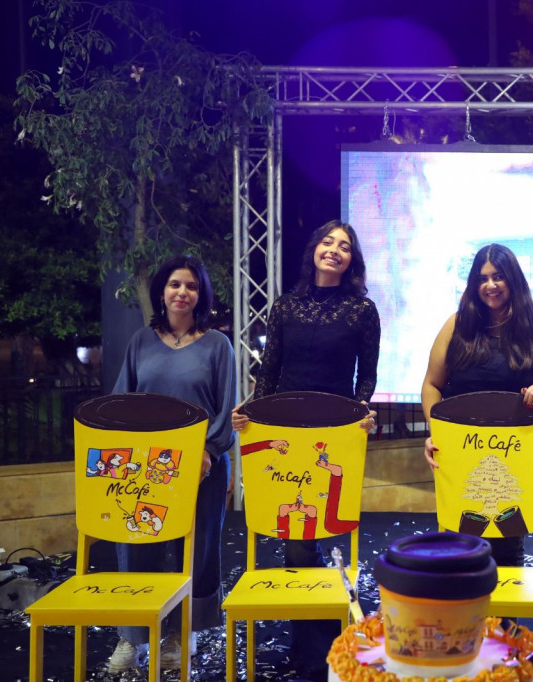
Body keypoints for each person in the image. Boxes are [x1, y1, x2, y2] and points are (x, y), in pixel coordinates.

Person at [231, 219, 380, 680]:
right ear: (314, 249)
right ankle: (312, 649)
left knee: (328, 523)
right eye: (327, 241)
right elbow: (269, 371)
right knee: (297, 538)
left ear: (352, 260)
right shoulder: (285, 306)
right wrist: (250, 413)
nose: (334, 249)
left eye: (344, 246)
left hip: (334, 433)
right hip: (286, 431)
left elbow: (366, 376)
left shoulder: (362, 311)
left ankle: (325, 640)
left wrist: (362, 411)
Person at [107, 255, 237, 673]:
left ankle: (184, 632)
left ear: (201, 295)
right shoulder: (140, 343)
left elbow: (225, 409)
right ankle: (132, 635)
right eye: (175, 284)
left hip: (202, 465)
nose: (183, 292)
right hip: (146, 467)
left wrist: (208, 452)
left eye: (192, 286)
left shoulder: (218, 345)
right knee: (136, 544)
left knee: (197, 548)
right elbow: (121, 402)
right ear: (161, 292)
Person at [421, 243, 533, 566]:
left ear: (513, 279)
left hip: (515, 454)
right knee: (460, 543)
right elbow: (431, 385)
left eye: (498, 276)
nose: (490, 285)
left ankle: (506, 602)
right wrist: (435, 432)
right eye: (483, 278)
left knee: (508, 546)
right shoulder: (456, 325)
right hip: (460, 453)